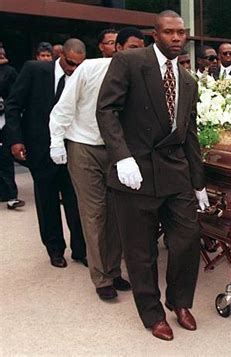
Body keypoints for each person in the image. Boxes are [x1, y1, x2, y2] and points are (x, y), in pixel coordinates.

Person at [96, 10, 209, 341]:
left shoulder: (188, 80)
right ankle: (152, 314)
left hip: (176, 173)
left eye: (181, 32)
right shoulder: (130, 62)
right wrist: (122, 157)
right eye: (169, 32)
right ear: (155, 35)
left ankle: (180, 302)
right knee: (141, 250)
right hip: (136, 173)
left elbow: (189, 131)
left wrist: (198, 182)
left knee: (188, 240)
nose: (176, 38)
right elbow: (107, 110)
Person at [49, 27, 144, 300]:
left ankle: (114, 270)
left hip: (119, 153)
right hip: (84, 147)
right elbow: (64, 107)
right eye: (129, 47)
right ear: (117, 49)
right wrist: (57, 142)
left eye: (140, 48)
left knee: (116, 214)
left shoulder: (140, 78)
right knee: (94, 214)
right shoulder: (90, 69)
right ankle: (101, 277)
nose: (134, 53)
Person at [5, 39, 87, 268]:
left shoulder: (83, 75)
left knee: (76, 203)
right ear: (60, 55)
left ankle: (81, 250)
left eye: (79, 65)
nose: (73, 69)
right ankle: (55, 250)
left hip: (73, 150)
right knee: (47, 202)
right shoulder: (35, 70)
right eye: (70, 63)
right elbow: (13, 105)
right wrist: (16, 139)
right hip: (41, 148)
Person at [0, 44, 24, 209]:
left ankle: (10, 195)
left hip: (3, 120)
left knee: (5, 157)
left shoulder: (9, 72)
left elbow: (15, 98)